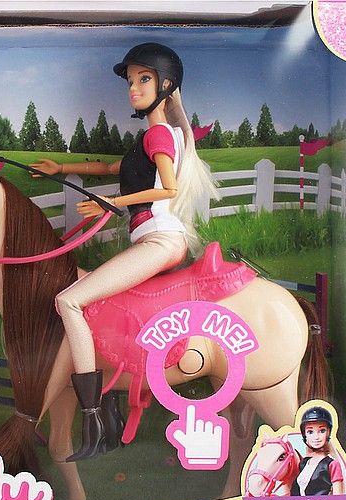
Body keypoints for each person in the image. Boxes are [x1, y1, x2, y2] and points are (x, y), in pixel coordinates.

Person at [30, 43, 218, 461]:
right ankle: (110, 399)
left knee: (69, 301)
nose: (133, 88)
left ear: (166, 85)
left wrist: (110, 203)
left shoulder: (159, 134)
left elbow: (168, 188)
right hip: (154, 240)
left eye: (144, 79)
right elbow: (111, 168)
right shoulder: (151, 138)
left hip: (160, 240)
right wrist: (61, 169)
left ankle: (92, 414)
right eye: (131, 81)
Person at [291, 406, 345, 495]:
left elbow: (338, 497)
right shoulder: (304, 463)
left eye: (322, 431)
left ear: (328, 432)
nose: (316, 437)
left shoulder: (332, 464)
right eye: (310, 432)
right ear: (304, 434)